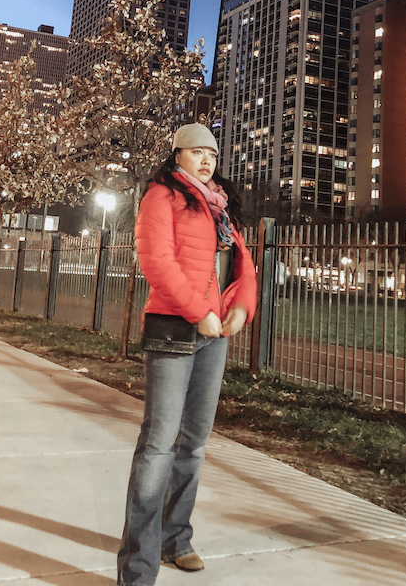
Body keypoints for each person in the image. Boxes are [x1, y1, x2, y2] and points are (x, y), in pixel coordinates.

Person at [117, 123, 257, 586]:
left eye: (211, 155)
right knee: (159, 444)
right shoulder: (162, 196)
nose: (205, 161)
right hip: (176, 329)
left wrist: (241, 305)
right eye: (196, 153)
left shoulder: (218, 206)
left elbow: (243, 263)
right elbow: (156, 262)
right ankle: (138, 565)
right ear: (177, 155)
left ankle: (177, 539)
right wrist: (199, 311)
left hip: (214, 335)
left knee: (194, 443)